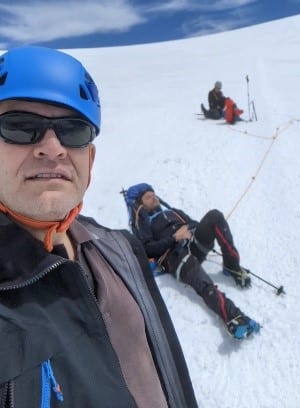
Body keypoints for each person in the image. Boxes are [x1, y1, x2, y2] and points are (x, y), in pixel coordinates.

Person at [0, 46, 197, 408]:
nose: (52, 148)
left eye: (73, 131)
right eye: (20, 127)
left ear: (89, 159)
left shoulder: (119, 248)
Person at [124, 183, 260, 340]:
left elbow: (194, 223)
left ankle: (232, 266)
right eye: (148, 196)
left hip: (193, 244)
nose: (153, 196)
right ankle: (233, 317)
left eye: (153, 193)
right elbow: (147, 249)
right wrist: (175, 237)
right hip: (174, 256)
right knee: (197, 275)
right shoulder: (141, 222)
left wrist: (188, 230)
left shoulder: (172, 211)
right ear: (139, 204)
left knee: (214, 216)